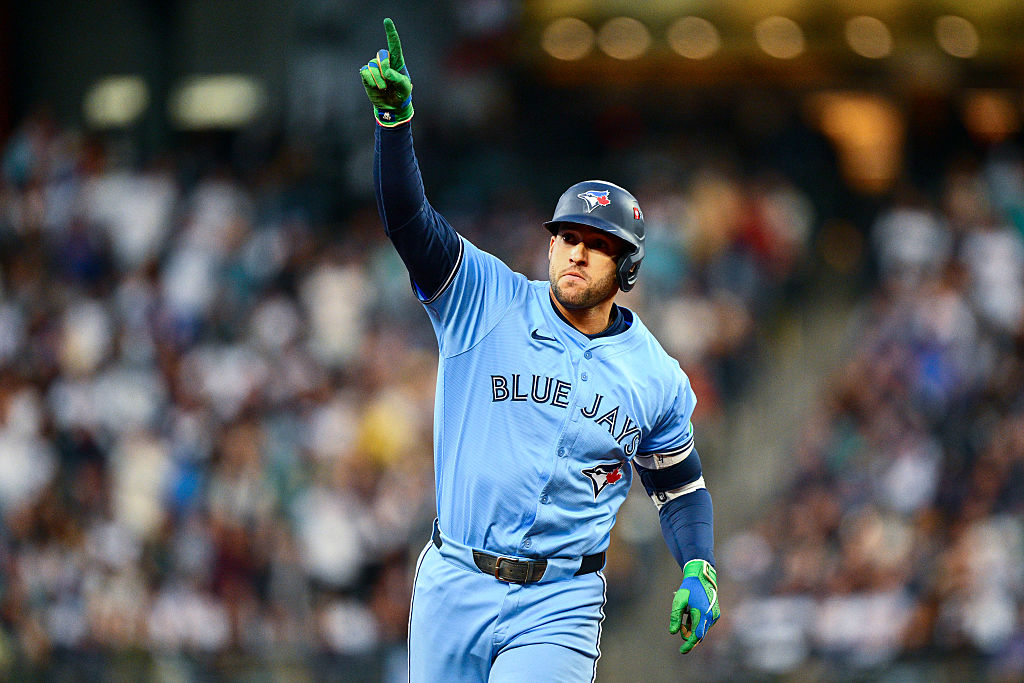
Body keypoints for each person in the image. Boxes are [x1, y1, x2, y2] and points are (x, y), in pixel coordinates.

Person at [360, 18, 720, 682]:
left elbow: (679, 486)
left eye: (598, 241)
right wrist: (395, 127)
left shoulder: (655, 376)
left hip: (560, 599)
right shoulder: (483, 298)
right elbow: (410, 221)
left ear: (629, 268)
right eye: (567, 235)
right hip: (454, 582)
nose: (577, 249)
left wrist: (697, 563)